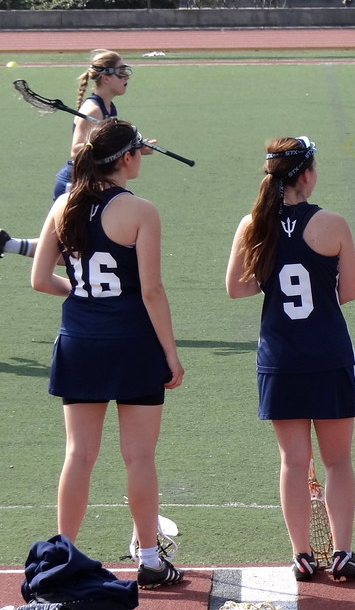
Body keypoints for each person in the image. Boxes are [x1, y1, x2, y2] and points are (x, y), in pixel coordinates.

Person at [29, 118, 185, 588]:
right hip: (133, 344)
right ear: (126, 159)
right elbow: (152, 292)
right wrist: (171, 355)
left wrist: (83, 298)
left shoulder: (64, 203)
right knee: (139, 457)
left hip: (80, 341)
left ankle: (61, 558)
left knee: (79, 454)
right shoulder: (141, 211)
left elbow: (39, 279)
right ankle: (152, 560)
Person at [225, 135, 355, 583]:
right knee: (338, 460)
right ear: (306, 174)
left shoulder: (253, 224)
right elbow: (348, 293)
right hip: (328, 355)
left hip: (279, 359)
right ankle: (343, 553)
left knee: (292, 461)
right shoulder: (333, 223)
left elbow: (237, 287)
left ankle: (301, 555)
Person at [53, 50, 150, 202]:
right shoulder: (94, 110)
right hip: (74, 184)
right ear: (106, 78)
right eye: (121, 72)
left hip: (92, 181)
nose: (127, 76)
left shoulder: (110, 107)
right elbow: (76, 150)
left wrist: (133, 147)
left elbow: (109, 144)